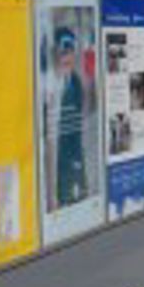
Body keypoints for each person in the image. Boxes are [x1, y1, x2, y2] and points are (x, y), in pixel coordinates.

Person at [54, 25, 88, 206]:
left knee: (80, 197)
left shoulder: (75, 82)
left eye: (70, 52)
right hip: (56, 163)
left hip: (73, 156)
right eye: (63, 52)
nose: (67, 57)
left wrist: (78, 160)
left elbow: (77, 128)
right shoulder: (49, 85)